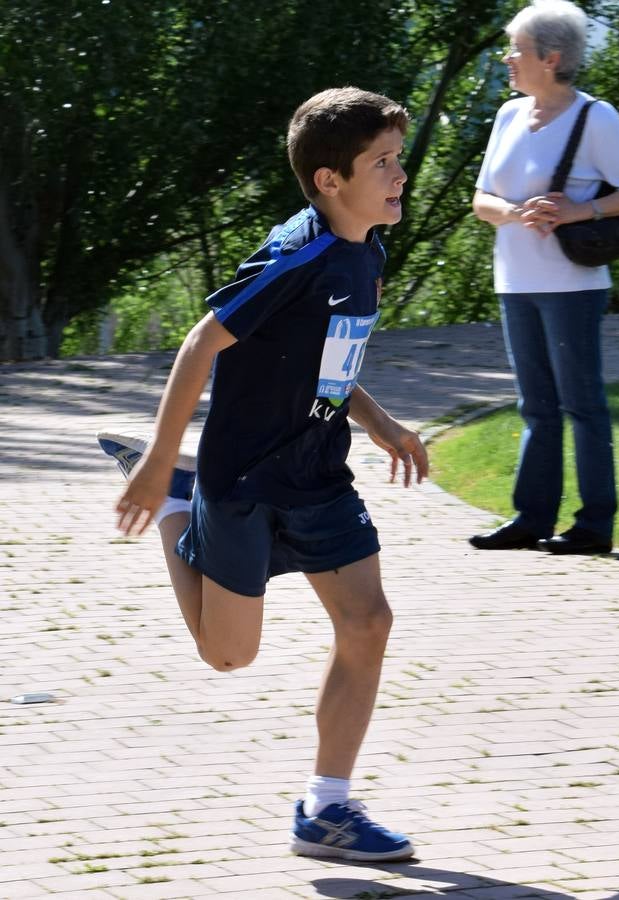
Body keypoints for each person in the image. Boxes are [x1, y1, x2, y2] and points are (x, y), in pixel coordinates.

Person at [96, 87, 428, 862]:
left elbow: (333, 360)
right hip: (242, 479)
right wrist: (154, 464)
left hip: (316, 472)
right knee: (228, 655)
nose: (399, 175)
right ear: (329, 181)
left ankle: (326, 810)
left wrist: (379, 424)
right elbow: (198, 346)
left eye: (398, 158)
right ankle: (180, 512)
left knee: (368, 624)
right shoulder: (298, 255)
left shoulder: (366, 249)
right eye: (381, 162)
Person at [468, 0, 619, 557]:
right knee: (535, 405)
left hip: (571, 284)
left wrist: (576, 212)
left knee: (582, 404)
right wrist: (512, 212)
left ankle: (595, 525)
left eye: (516, 49)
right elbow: (480, 199)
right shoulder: (507, 115)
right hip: (515, 280)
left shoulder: (596, 118)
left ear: (550, 58)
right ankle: (531, 518)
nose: (507, 58)